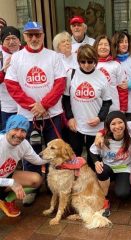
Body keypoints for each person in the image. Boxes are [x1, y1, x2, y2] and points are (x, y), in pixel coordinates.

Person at [4, 21, 66, 205]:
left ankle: (59, 185)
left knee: (56, 151)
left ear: (43, 35)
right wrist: (34, 106)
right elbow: (12, 86)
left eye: (37, 34)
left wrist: (44, 105)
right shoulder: (17, 58)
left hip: (52, 114)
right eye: (30, 35)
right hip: (27, 116)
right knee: (30, 151)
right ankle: (33, 188)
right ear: (24, 36)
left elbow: (60, 83)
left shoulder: (54, 56)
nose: (34, 38)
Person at [62, 44, 112, 170]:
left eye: (90, 61)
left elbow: (107, 102)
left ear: (95, 61)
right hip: (76, 126)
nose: (86, 65)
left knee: (93, 160)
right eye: (82, 62)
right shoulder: (71, 74)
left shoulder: (101, 76)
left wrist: (100, 118)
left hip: (95, 126)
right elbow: (66, 99)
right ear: (78, 61)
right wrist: (70, 118)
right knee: (74, 157)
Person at [0, 114, 48, 217]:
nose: (19, 134)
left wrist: (57, 158)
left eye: (23, 131)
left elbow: (38, 160)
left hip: (5, 176)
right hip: (5, 179)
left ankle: (5, 199)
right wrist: (11, 182)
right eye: (16, 129)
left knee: (36, 179)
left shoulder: (23, 144)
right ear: (8, 128)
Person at [90, 111, 131, 216]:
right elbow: (92, 151)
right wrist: (96, 162)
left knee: (123, 194)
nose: (117, 126)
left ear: (125, 123)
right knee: (101, 169)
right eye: (113, 124)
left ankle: (125, 183)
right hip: (108, 169)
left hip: (124, 169)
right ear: (108, 127)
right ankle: (104, 199)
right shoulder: (103, 139)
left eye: (120, 122)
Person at [94, 35, 128, 112]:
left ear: (110, 48)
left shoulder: (116, 64)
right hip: (94, 109)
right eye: (100, 44)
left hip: (113, 109)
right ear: (96, 46)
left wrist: (123, 109)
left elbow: (122, 89)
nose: (103, 47)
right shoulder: (89, 64)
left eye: (106, 45)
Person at [112, 31, 131, 121]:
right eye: (121, 42)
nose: (124, 44)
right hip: (114, 103)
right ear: (116, 44)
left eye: (126, 41)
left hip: (129, 104)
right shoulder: (111, 60)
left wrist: (128, 85)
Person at [0, 26, 21, 129]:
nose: (11, 42)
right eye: (7, 39)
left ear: (19, 40)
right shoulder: (0, 54)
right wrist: (3, 72)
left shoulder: (26, 52)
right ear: (2, 42)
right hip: (8, 106)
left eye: (14, 38)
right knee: (9, 137)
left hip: (27, 105)